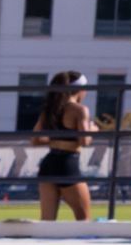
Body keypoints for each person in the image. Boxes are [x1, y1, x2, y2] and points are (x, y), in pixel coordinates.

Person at [34, 71, 92, 223]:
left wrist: (56, 140)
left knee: (47, 221)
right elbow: (84, 141)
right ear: (81, 90)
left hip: (48, 164)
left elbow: (35, 139)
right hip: (68, 164)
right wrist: (93, 130)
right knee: (83, 219)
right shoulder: (79, 110)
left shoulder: (49, 110)